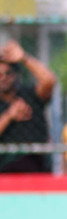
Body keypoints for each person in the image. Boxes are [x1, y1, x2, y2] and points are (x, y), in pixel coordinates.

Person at [0, 39, 56, 174]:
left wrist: (24, 58)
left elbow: (49, 80)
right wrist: (9, 116)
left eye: (7, 74)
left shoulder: (30, 95)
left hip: (36, 168)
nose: (3, 78)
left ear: (16, 75)